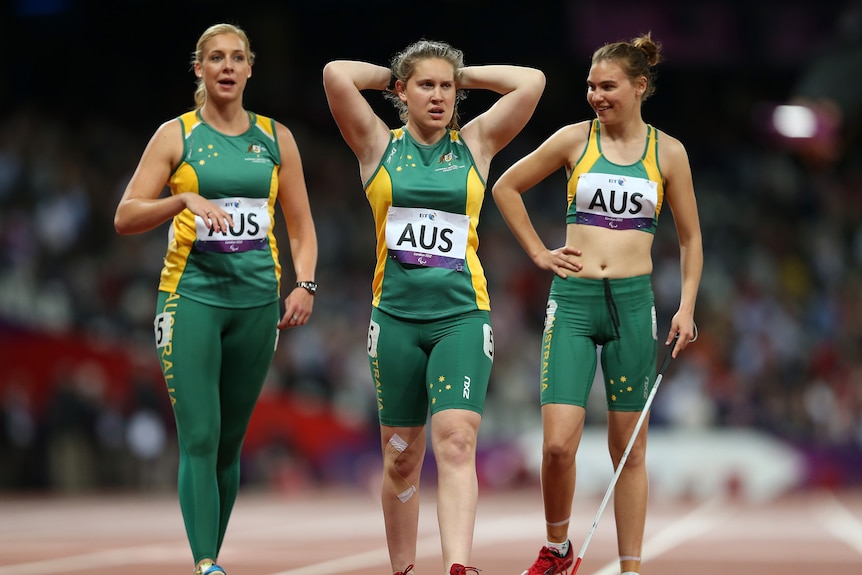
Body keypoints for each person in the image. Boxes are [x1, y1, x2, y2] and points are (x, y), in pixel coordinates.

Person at [322, 41, 545, 575]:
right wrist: (399, 74)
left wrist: (459, 73)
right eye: (427, 85)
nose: (441, 95)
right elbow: (335, 73)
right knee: (402, 457)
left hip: (461, 318)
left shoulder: (476, 143)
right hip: (395, 322)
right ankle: (402, 568)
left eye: (448, 87)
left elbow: (531, 81)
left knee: (458, 442)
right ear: (402, 92)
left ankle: (458, 566)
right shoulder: (377, 145)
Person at [492, 33, 702, 575]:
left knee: (628, 452)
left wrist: (686, 307)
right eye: (590, 86)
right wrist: (539, 251)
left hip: (634, 307)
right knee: (558, 445)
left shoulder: (669, 152)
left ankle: (631, 567)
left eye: (607, 86)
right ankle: (558, 549)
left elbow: (690, 239)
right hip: (575, 302)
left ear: (639, 87)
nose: (596, 95)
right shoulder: (572, 140)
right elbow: (505, 188)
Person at [114, 23, 318, 575]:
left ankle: (211, 560)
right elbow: (125, 215)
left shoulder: (277, 139)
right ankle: (206, 565)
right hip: (191, 299)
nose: (226, 67)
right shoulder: (175, 135)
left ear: (250, 68)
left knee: (230, 445)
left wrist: (305, 283)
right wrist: (181, 199)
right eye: (215, 58)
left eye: (236, 58)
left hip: (255, 305)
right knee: (200, 436)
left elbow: (299, 225)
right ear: (200, 69)